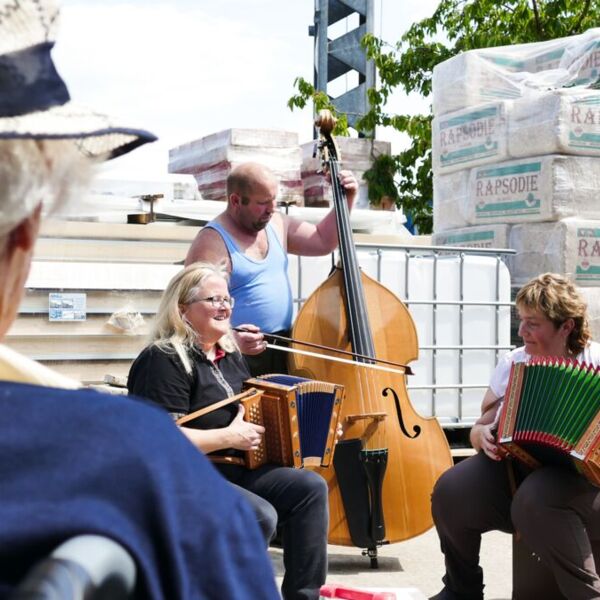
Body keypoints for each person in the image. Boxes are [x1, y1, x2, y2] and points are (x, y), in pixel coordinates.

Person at [0, 1, 279, 598]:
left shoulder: (225, 360)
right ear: (24, 235)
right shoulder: (133, 467)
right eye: (215, 299)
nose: (225, 308)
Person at [127, 261, 330, 600]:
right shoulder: (163, 359)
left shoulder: (230, 355)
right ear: (182, 309)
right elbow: (157, 441)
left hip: (233, 468)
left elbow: (249, 413)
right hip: (183, 476)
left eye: (227, 299)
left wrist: (314, 432)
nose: (224, 306)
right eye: (213, 300)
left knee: (309, 487)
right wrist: (227, 437)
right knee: (256, 515)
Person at [430, 273, 600, 600]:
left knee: (536, 497)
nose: (521, 332)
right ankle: (460, 589)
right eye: (520, 321)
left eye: (532, 323)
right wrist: (482, 436)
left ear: (566, 326)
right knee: (451, 491)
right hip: (517, 470)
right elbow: (481, 424)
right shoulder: (513, 363)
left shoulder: (594, 362)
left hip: (587, 484)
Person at [184, 160, 358, 375]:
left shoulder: (277, 223)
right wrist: (230, 339)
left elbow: (322, 240)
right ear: (236, 201)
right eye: (263, 202)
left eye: (274, 199)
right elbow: (192, 310)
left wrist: (347, 199)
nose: (272, 208)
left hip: (283, 346)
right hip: (237, 353)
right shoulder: (212, 243)